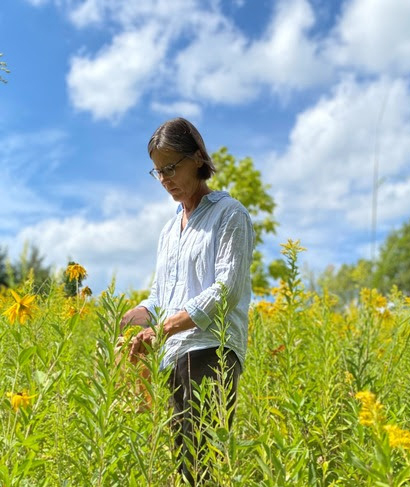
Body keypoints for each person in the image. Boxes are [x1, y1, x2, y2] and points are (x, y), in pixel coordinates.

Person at [120, 117, 254, 484]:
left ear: (197, 158)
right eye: (158, 171)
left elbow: (226, 289)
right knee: (180, 460)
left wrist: (163, 329)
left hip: (211, 350)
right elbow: (162, 295)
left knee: (200, 463)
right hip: (172, 355)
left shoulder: (230, 215)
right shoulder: (168, 229)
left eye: (172, 167)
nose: (165, 180)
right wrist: (132, 316)